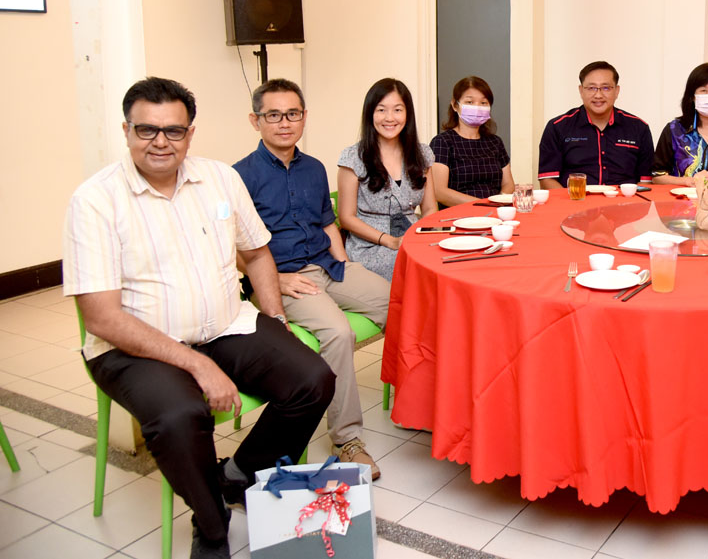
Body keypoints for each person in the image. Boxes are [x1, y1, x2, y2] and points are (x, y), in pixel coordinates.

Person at [64, 77, 334, 559]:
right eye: (146, 130)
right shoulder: (95, 201)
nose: (160, 141)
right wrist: (196, 364)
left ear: (190, 133)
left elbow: (257, 253)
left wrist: (275, 319)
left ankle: (237, 474)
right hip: (135, 348)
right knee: (180, 417)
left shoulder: (219, 179)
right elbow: (101, 318)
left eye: (174, 130)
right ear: (126, 131)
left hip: (226, 326)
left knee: (313, 379)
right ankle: (211, 527)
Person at [233, 79, 389, 479]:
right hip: (281, 278)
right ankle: (347, 439)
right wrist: (274, 281)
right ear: (255, 120)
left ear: (304, 117)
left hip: (326, 265)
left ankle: (420, 403)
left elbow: (327, 223)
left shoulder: (314, 168)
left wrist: (344, 266)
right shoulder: (239, 176)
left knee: (398, 302)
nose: (284, 123)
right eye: (273, 115)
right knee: (338, 332)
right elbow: (230, 247)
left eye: (293, 114)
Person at [338, 78, 435, 282]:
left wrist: (419, 236)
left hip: (412, 237)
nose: (389, 118)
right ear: (370, 113)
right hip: (371, 245)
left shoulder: (422, 154)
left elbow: (429, 209)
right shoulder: (353, 157)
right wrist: (389, 241)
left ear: (407, 114)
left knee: (445, 258)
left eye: (397, 110)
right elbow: (346, 218)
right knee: (409, 265)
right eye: (381, 110)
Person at [537, 61, 655, 188]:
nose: (598, 95)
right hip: (576, 198)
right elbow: (547, 180)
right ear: (581, 91)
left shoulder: (639, 128)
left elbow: (645, 180)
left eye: (606, 88)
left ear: (617, 91)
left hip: (625, 199)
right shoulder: (557, 127)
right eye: (591, 88)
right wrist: (573, 200)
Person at [430, 76, 515, 206]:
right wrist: (481, 205)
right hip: (459, 214)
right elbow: (439, 191)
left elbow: (508, 184)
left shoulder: (495, 142)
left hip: (495, 211)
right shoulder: (442, 142)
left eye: (483, 103)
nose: (477, 107)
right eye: (469, 102)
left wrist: (499, 202)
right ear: (455, 105)